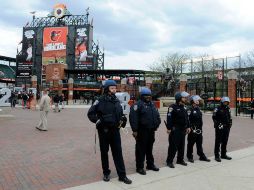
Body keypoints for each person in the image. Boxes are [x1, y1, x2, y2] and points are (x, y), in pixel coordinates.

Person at [87, 80, 132, 184]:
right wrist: (98, 121)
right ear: (107, 89)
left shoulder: (116, 100)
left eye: (115, 88)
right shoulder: (100, 100)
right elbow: (90, 113)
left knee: (118, 153)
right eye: (112, 88)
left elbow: (120, 113)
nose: (114, 90)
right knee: (104, 152)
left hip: (115, 130)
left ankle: (122, 175)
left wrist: (122, 118)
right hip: (104, 131)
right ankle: (106, 173)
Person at [129, 87, 161, 175]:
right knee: (140, 150)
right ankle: (139, 167)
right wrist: (135, 130)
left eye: (149, 95)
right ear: (142, 96)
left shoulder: (152, 104)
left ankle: (150, 164)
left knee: (149, 148)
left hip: (151, 131)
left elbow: (157, 115)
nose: (148, 97)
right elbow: (133, 118)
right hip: (141, 131)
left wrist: (157, 124)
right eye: (146, 95)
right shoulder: (137, 105)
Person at [166, 91, 191, 168]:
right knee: (173, 146)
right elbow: (169, 118)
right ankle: (169, 161)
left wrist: (188, 126)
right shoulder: (172, 107)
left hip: (183, 130)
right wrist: (169, 128)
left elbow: (187, 118)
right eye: (184, 97)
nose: (185, 98)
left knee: (181, 146)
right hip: (175, 130)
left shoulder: (184, 107)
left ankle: (180, 160)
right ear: (179, 98)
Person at [186, 95, 210, 163]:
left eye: (198, 100)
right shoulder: (189, 109)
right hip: (193, 130)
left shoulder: (198, 109)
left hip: (199, 130)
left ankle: (201, 156)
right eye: (197, 100)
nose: (198, 101)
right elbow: (188, 120)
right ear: (193, 101)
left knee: (199, 143)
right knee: (190, 144)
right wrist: (190, 127)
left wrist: (201, 129)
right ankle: (189, 156)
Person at [212, 96, 233, 162]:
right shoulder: (217, 108)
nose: (226, 103)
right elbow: (214, 117)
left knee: (225, 141)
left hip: (226, 127)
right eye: (225, 102)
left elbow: (230, 117)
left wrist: (230, 123)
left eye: (227, 102)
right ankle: (216, 155)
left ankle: (223, 154)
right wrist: (217, 124)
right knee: (218, 141)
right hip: (220, 127)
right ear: (222, 102)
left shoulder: (228, 108)